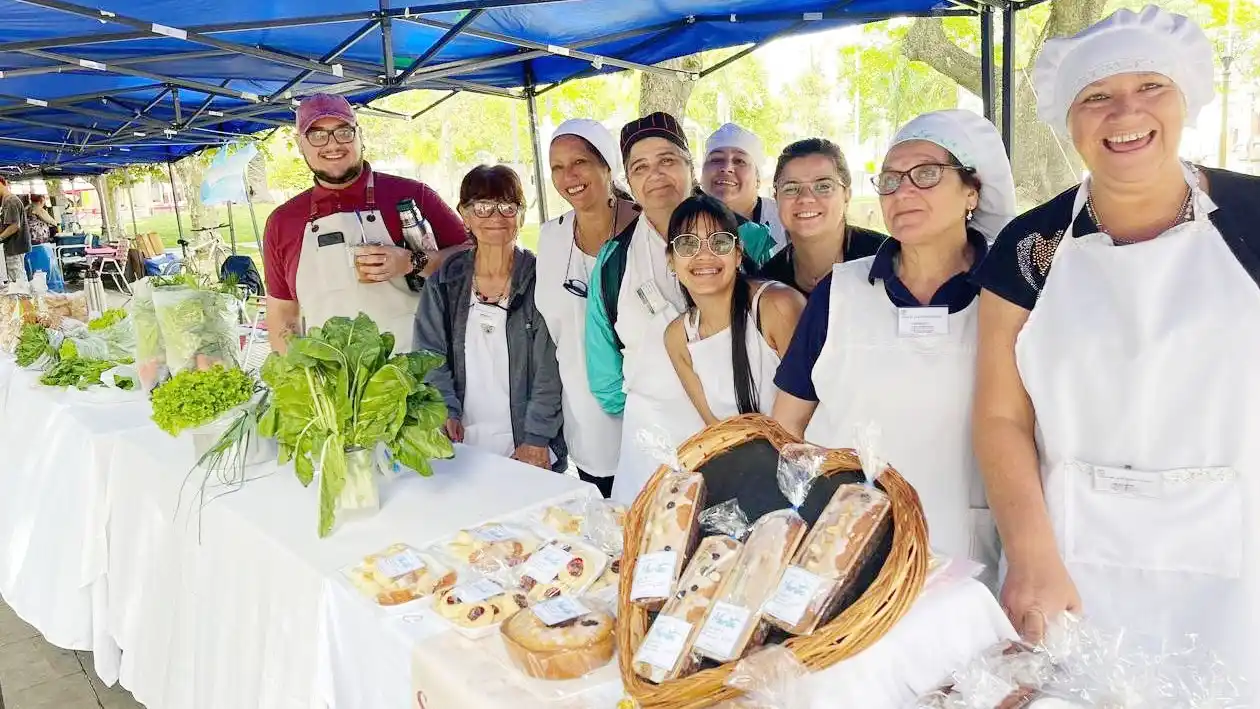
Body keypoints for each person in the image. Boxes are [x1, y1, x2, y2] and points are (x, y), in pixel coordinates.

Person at [971, 5, 1260, 670]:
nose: (1126, 112)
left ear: (1185, 97)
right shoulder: (1029, 247)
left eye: (1150, 86)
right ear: (1068, 119)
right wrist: (1032, 555)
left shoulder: (1252, 217)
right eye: (1097, 96)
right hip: (1073, 561)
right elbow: (998, 413)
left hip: (1240, 565)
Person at [773, 110, 1015, 586]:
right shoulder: (839, 292)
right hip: (844, 550)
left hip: (963, 554)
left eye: (926, 174)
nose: (903, 192)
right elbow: (787, 424)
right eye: (889, 180)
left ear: (972, 190)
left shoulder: (1008, 297)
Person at [586, 112, 774, 504]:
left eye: (668, 161)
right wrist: (652, 409)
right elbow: (603, 368)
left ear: (691, 168)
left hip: (739, 434)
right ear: (629, 181)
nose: (655, 175)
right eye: (641, 167)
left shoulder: (749, 238)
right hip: (650, 439)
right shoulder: (614, 260)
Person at [262, 93, 468, 354]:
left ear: (360, 135)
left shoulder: (413, 196)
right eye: (317, 135)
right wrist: (297, 378)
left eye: (343, 132)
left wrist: (411, 261)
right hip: (333, 384)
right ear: (300, 144)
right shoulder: (283, 221)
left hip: (417, 373)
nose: (332, 144)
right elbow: (282, 312)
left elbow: (473, 256)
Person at [414, 165, 565, 471]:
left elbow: (552, 370)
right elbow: (428, 356)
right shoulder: (445, 282)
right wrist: (445, 410)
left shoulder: (542, 279)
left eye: (507, 207)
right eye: (482, 207)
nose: (495, 217)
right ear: (465, 214)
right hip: (461, 442)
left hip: (526, 444)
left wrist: (536, 439)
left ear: (521, 215)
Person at [536, 119, 638, 498]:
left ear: (607, 165)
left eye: (579, 162)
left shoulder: (648, 229)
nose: (569, 176)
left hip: (648, 420)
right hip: (585, 425)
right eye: (558, 168)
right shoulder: (551, 238)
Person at [665, 194, 805, 428]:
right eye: (687, 244)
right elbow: (717, 432)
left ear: (738, 253)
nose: (704, 255)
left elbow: (818, 410)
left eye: (719, 242)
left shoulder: (777, 307)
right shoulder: (678, 338)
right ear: (671, 260)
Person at [757, 139, 886, 295]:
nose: (805, 198)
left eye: (823, 186)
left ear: (846, 195)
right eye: (791, 188)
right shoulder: (767, 285)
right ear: (776, 198)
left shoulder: (889, 261)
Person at [702, 123, 787, 251]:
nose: (726, 168)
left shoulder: (784, 219)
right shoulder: (685, 220)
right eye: (716, 159)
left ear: (758, 179)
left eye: (739, 161)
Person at [0, 176, 31, 287]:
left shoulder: (10, 201)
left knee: (17, 283)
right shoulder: (6, 201)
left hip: (14, 248)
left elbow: (14, 226)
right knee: (17, 281)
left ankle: (23, 303)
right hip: (13, 248)